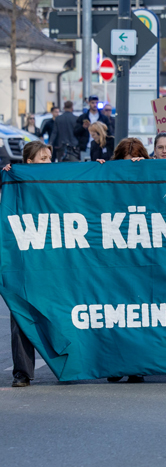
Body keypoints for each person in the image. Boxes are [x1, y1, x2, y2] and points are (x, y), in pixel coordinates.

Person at [4, 141, 52, 387]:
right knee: (21, 315)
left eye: (49, 158)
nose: (48, 163)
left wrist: (100, 167)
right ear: (30, 163)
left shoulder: (59, 182)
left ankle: (75, 364)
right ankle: (22, 371)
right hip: (23, 263)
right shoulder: (13, 183)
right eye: (42, 159)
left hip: (54, 263)